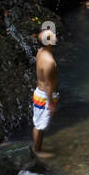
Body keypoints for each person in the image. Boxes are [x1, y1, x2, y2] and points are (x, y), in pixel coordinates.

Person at [33, 27, 60, 157]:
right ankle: (37, 151)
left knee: (38, 124)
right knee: (41, 126)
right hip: (45, 97)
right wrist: (51, 104)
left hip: (39, 93)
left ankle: (37, 147)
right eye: (52, 35)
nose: (55, 35)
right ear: (49, 42)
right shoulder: (49, 62)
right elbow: (48, 84)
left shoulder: (40, 52)